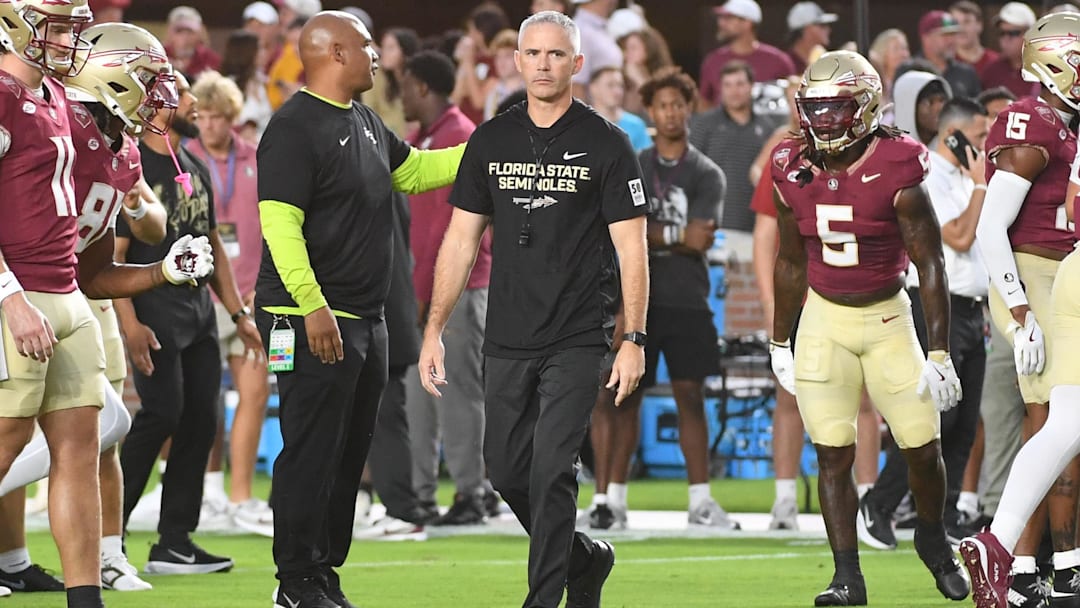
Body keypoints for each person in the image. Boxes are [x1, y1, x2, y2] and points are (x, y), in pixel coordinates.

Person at [418, 10, 648, 608]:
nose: (544, 64)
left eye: (556, 54)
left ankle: (543, 598)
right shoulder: (490, 140)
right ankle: (582, 559)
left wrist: (633, 338)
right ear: (516, 62)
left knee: (551, 470)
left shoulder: (608, 144)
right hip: (506, 333)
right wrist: (435, 328)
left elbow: (632, 248)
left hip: (578, 334)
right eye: (533, 54)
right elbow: (461, 239)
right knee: (505, 472)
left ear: (577, 63)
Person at [254, 11, 465, 608]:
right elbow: (280, 226)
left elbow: (416, 172)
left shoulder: (367, 121)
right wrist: (311, 305)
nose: (378, 55)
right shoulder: (293, 127)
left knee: (348, 456)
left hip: (365, 318)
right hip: (308, 317)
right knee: (310, 450)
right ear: (335, 54)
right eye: (367, 46)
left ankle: (322, 573)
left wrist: (486, 148)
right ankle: (293, 580)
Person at [769, 50, 967, 605]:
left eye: (836, 108)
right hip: (824, 319)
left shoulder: (898, 162)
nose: (823, 121)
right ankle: (846, 577)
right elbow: (788, 260)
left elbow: (931, 262)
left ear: (865, 106)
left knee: (921, 446)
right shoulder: (789, 162)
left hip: (887, 318)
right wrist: (779, 336)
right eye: (815, 108)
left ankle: (932, 539)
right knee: (832, 451)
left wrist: (940, 350)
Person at [116, 69, 261, 575]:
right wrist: (130, 324)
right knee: (161, 415)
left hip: (199, 312)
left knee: (203, 419)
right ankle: (107, 537)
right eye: (181, 94)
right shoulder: (130, 165)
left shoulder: (193, 165)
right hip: (153, 309)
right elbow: (115, 255)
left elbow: (213, 243)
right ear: (154, 103)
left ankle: (174, 540)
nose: (193, 103)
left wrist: (238, 312)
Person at [582, 66, 736, 532]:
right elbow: (620, 230)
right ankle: (609, 500)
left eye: (678, 104)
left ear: (688, 108)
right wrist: (673, 235)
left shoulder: (706, 172)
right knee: (618, 397)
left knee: (691, 396)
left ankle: (701, 501)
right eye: (662, 104)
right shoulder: (632, 161)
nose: (670, 112)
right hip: (629, 298)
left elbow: (701, 240)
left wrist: (650, 233)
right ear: (649, 111)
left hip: (687, 298)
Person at [960, 12, 1080, 608]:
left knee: (1061, 424)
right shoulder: (1033, 121)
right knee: (1051, 421)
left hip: (1061, 273)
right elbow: (989, 227)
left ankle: (1035, 563)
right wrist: (1019, 308)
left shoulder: (1063, 122)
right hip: (1038, 274)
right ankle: (1023, 563)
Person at [0, 1, 109, 605]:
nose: (71, 38)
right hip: (16, 292)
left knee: (79, 449)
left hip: (67, 291)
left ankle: (84, 598)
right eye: (59, 27)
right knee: (7, 437)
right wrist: (10, 299)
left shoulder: (59, 97)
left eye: (73, 25)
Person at [857, 98, 990, 549]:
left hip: (972, 308)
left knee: (964, 423)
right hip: (936, 306)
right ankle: (879, 503)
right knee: (935, 417)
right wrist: (980, 188)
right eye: (978, 137)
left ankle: (946, 516)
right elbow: (958, 235)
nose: (985, 146)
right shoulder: (928, 171)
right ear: (952, 135)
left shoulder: (962, 178)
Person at [399, 50, 491, 526]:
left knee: (457, 395)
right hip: (422, 289)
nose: (399, 93)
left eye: (404, 83)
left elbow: (445, 229)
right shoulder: (420, 139)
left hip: (457, 288)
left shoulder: (459, 137)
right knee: (419, 395)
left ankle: (473, 493)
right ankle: (421, 494)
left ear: (422, 86)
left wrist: (422, 293)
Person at [185, 70, 271, 535]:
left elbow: (277, 225)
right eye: (204, 116)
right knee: (202, 399)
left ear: (233, 117)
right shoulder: (184, 160)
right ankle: (209, 490)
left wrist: (266, 283)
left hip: (251, 294)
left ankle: (241, 496)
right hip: (200, 292)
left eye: (219, 117)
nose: (211, 125)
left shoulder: (257, 158)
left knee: (254, 393)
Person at [699, 0, 795, 107]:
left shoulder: (779, 61)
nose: (721, 23)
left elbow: (793, 100)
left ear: (747, 23)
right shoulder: (713, 61)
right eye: (721, 18)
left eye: (728, 18)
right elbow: (704, 105)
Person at [912, 10, 981, 100]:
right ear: (926, 38)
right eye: (945, 35)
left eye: (953, 34)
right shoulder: (910, 70)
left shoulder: (966, 73)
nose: (951, 40)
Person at [978, 3, 1038, 100]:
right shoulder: (991, 70)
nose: (1006, 39)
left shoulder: (1043, 71)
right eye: (1002, 33)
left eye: (1013, 33)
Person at [588, 66, 651, 151]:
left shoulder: (636, 124)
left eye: (620, 86)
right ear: (593, 88)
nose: (617, 91)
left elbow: (645, 160)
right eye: (610, 85)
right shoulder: (579, 123)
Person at [785, 1, 836, 76]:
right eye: (822, 25)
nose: (828, 29)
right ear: (806, 30)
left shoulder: (822, 57)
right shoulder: (786, 63)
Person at [950, 1, 998, 76]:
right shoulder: (946, 63)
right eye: (956, 23)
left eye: (967, 22)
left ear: (980, 25)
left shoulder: (995, 62)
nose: (961, 28)